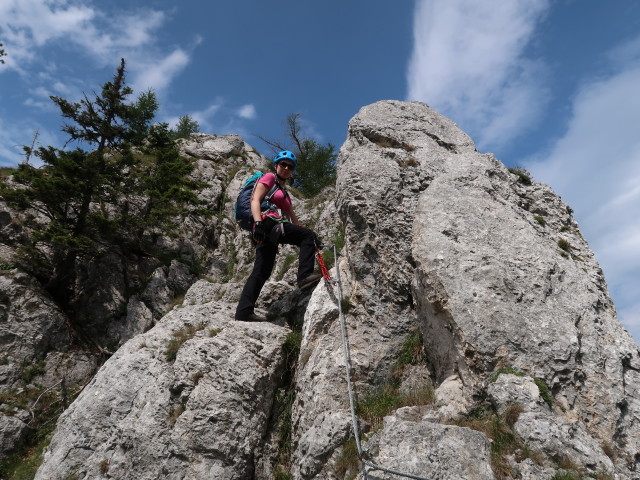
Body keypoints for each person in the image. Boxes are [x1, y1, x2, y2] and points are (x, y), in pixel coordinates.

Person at [235, 150, 322, 321]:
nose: (286, 168)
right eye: (283, 164)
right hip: (266, 223)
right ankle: (304, 277)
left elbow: (294, 221)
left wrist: (312, 238)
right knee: (306, 237)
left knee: (262, 271)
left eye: (290, 166)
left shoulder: (284, 193)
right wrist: (258, 223)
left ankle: (243, 312)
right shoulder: (269, 178)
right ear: (276, 166)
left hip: (268, 230)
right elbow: (255, 200)